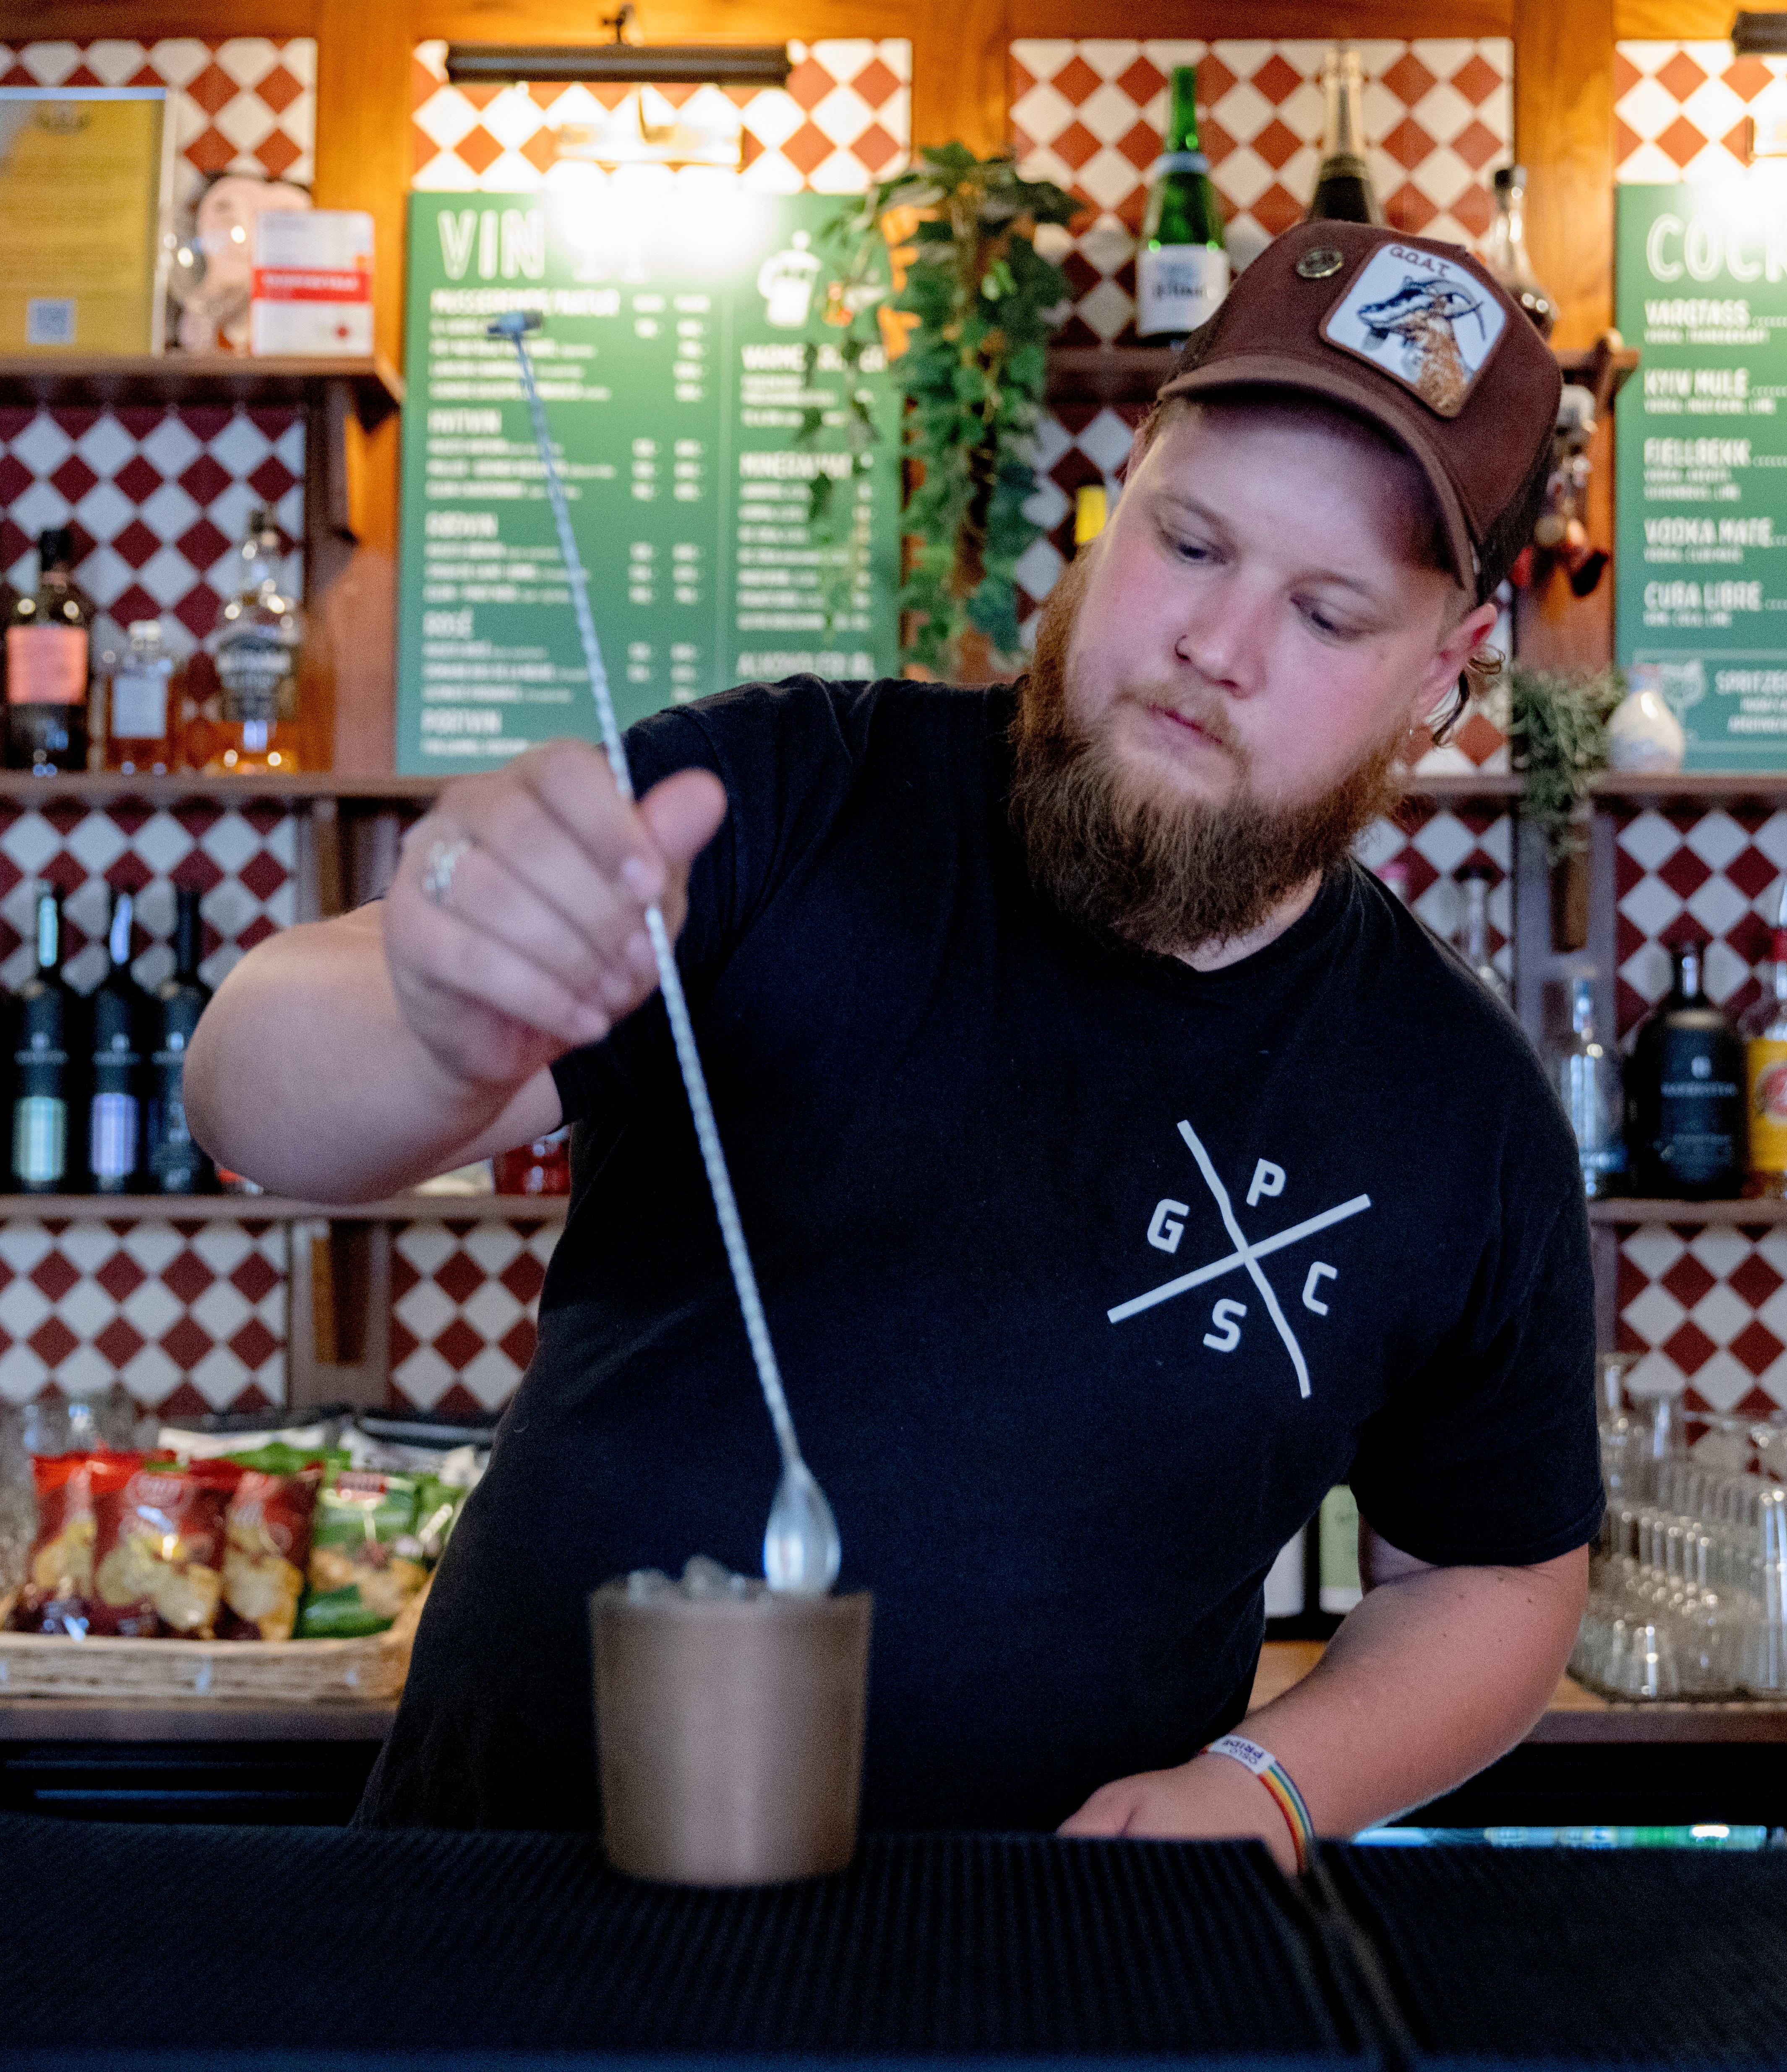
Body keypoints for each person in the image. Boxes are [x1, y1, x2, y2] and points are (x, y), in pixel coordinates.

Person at [185, 218, 1602, 1856]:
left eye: (1329, 614)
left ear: (1445, 674)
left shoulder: (1455, 1107)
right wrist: (441, 1011)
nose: (1216, 645)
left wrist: (1270, 1786)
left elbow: (1494, 1574)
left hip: (1038, 1960)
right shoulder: (793, 797)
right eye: (1191, 543)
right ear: (1122, 492)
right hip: (502, 1906)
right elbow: (250, 1094)